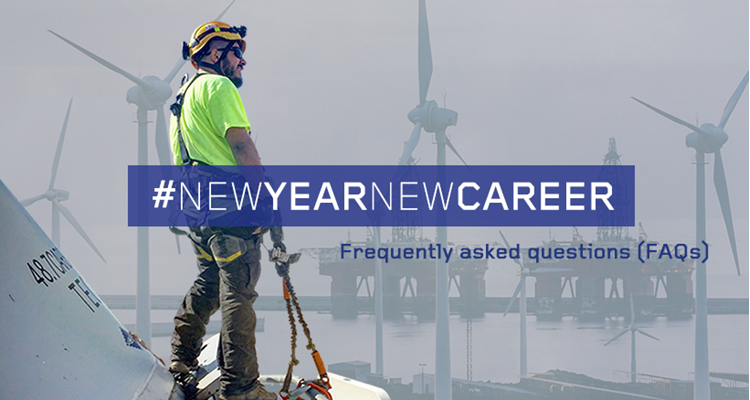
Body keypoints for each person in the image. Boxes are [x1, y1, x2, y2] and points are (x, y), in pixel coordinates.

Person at [167, 21, 286, 400]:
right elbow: (241, 146)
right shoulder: (217, 86)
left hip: (197, 213)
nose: (242, 62)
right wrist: (264, 198)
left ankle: (181, 359)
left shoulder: (182, 97)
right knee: (239, 289)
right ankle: (241, 387)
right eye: (236, 52)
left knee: (210, 283)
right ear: (214, 54)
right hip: (229, 210)